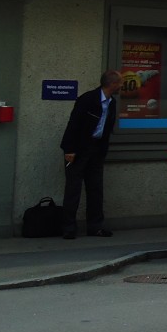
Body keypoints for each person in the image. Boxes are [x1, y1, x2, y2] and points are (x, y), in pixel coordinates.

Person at [60, 69, 122, 239]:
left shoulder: (111, 103)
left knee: (95, 189)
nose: (122, 86)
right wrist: (69, 150)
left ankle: (95, 226)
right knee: (73, 189)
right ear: (112, 84)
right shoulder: (88, 99)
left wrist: (102, 150)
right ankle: (69, 227)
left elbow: (107, 127)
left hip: (97, 148)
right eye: (120, 83)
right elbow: (74, 124)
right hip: (79, 148)